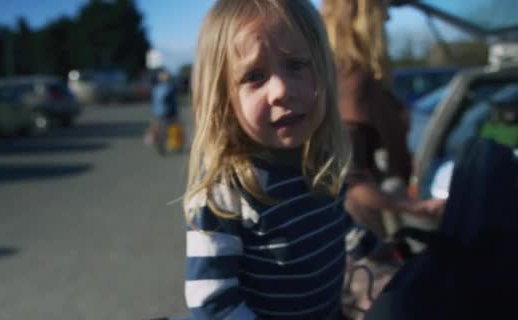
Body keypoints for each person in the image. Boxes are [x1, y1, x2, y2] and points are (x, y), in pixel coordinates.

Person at [183, 0, 353, 318]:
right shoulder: (225, 192)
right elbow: (213, 303)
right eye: (254, 76)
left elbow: (341, 226)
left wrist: (378, 251)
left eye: (296, 64)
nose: (281, 90)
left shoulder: (321, 161)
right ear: (222, 98)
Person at [321, 0, 445, 242]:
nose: (388, 20)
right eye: (382, 12)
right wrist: (416, 208)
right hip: (368, 231)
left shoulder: (349, 77)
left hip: (374, 223)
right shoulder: (353, 83)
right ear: (362, 19)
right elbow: (351, 181)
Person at [146, 69, 179, 153]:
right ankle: (172, 143)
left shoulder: (156, 89)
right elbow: (173, 102)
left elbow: (153, 101)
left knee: (159, 127)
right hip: (168, 112)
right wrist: (176, 113)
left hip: (157, 112)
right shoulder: (170, 88)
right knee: (171, 128)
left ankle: (160, 142)